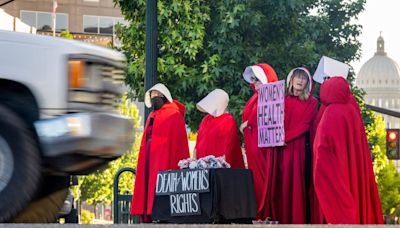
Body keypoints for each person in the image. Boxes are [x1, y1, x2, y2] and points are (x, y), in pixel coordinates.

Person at [312, 77, 383, 224]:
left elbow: (322, 152)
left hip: (338, 174)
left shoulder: (330, 113)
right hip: (351, 172)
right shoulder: (352, 111)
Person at [130, 83, 190, 222]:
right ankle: (148, 212)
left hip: (164, 157)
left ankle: (160, 212)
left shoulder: (173, 114)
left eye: (157, 94)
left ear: (164, 96)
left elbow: (176, 144)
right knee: (148, 183)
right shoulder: (152, 114)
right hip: (150, 155)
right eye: (152, 95)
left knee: (159, 183)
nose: (154, 97)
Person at [267, 67, 317, 224]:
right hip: (278, 148)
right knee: (279, 185)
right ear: (291, 79)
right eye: (298, 77)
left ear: (308, 83)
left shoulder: (312, 102)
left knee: (295, 186)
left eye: (304, 78)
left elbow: (305, 125)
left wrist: (284, 138)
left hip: (297, 149)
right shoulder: (281, 99)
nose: (300, 80)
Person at [240, 63, 278, 219]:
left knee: (264, 177)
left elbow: (264, 116)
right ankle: (260, 212)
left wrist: (247, 124)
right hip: (253, 145)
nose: (254, 82)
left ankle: (265, 212)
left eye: (257, 79)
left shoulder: (270, 95)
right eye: (253, 79)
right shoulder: (255, 97)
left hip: (262, 145)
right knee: (257, 178)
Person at [195, 88, 244, 168]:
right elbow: (199, 141)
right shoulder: (205, 120)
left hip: (220, 163)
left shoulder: (228, 119)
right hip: (202, 162)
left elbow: (229, 144)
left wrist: (222, 162)